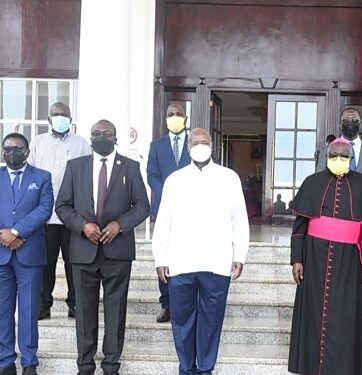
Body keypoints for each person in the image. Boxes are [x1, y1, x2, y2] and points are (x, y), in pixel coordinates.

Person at [55, 120, 150, 375]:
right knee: (84, 312)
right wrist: (82, 225)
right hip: (83, 250)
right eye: (96, 133)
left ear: (115, 137)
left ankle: (111, 365)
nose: (100, 137)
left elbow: (142, 205)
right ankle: (85, 366)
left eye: (106, 133)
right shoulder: (75, 167)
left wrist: (120, 224)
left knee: (115, 310)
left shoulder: (130, 167)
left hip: (117, 251)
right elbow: (62, 206)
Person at [152, 128, 249, 375]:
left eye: (204, 141)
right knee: (182, 319)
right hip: (181, 262)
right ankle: (186, 368)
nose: (199, 145)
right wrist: (160, 258)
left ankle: (205, 369)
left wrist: (240, 255)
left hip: (217, 262)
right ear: (188, 148)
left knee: (211, 319)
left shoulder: (229, 178)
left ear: (212, 145)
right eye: (194, 142)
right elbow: (164, 221)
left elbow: (239, 219)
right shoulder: (174, 180)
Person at [288, 138, 362, 375]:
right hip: (314, 260)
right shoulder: (312, 183)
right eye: (334, 155)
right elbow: (300, 227)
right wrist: (297, 259)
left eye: (344, 156)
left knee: (345, 318)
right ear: (326, 158)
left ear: (351, 159)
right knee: (313, 317)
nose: (339, 159)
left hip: (350, 263)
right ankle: (312, 367)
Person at [0, 133, 54, 375]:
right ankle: (6, 361)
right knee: (1, 309)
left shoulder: (42, 177)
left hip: (29, 252)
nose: (12, 152)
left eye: (18, 148)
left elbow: (44, 209)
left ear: (28, 151)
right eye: (8, 148)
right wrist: (2, 233)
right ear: (2, 152)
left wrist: (17, 231)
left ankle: (29, 362)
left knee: (30, 309)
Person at [27, 102, 91, 321]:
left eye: (64, 115)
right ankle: (43, 304)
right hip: (45, 217)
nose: (60, 118)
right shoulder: (37, 143)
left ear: (71, 119)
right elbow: (31, 175)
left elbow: (87, 179)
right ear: (48, 118)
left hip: (73, 216)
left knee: (74, 263)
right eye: (56, 114)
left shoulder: (81, 144)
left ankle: (76, 304)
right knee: (45, 264)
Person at [147, 103, 192, 323]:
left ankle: (185, 303)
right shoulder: (156, 146)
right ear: (165, 119)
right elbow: (151, 175)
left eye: (179, 114)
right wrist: (168, 192)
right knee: (164, 257)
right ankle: (166, 305)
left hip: (191, 210)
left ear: (185, 118)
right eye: (170, 115)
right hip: (164, 208)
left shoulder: (195, 145)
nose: (174, 117)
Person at [317, 109, 362, 201]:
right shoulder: (326, 150)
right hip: (333, 207)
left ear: (360, 124)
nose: (350, 122)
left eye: (355, 120)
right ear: (340, 125)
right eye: (346, 120)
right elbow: (319, 182)